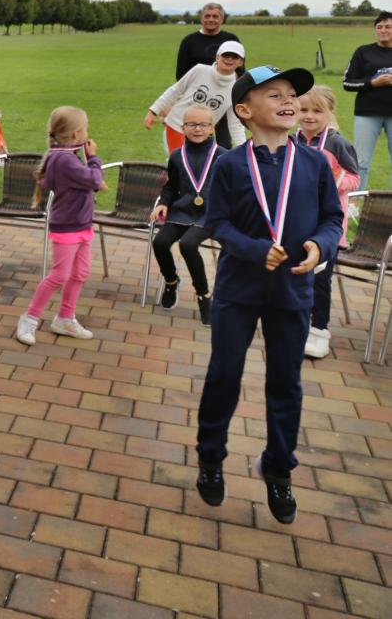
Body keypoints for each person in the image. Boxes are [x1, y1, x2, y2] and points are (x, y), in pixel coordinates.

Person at [194, 65, 341, 525]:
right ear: (244, 110)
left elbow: (333, 219)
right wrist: (255, 249)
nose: (288, 100)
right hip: (238, 290)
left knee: (286, 382)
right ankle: (211, 457)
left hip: (293, 290)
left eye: (292, 94)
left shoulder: (315, 163)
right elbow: (217, 223)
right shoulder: (229, 164)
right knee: (224, 374)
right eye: (274, 94)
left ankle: (278, 467)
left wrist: (320, 246)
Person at [14, 106, 104, 346]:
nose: (87, 133)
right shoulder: (64, 159)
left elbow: (81, 182)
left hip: (81, 224)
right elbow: (94, 179)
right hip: (67, 227)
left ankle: (65, 318)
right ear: (76, 133)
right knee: (59, 275)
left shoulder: (65, 156)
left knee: (80, 273)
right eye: (85, 128)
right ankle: (29, 318)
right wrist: (93, 158)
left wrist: (89, 178)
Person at [294, 85, 360, 359]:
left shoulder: (337, 144)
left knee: (320, 278)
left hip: (328, 225)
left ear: (330, 112)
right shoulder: (292, 140)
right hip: (297, 222)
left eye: (317, 111)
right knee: (295, 273)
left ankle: (319, 329)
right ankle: (296, 323)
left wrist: (331, 181)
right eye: (304, 109)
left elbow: (354, 178)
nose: (309, 116)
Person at [149, 103, 220, 322]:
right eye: (192, 124)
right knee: (160, 242)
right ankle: (171, 282)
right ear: (183, 128)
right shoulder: (177, 156)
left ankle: (203, 296)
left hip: (210, 215)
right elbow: (171, 187)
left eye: (203, 125)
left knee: (188, 245)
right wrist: (163, 202)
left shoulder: (223, 156)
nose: (197, 129)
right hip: (182, 211)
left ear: (212, 128)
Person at [145, 41, 248, 152]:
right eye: (226, 55)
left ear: (240, 62)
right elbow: (175, 90)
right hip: (177, 126)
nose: (229, 59)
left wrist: (244, 151)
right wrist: (153, 111)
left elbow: (235, 125)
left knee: (203, 162)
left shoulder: (236, 89)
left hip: (203, 134)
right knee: (180, 160)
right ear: (217, 57)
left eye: (234, 57)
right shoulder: (200, 70)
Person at [343, 10, 392, 187]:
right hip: (367, 114)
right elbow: (347, 83)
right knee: (361, 161)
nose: (383, 30)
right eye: (379, 27)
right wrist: (372, 83)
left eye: (388, 26)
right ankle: (356, 199)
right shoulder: (363, 52)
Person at [175, 2, 240, 79]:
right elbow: (181, 75)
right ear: (201, 19)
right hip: (198, 86)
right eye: (207, 16)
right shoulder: (188, 41)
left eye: (215, 16)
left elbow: (240, 71)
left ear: (222, 19)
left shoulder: (232, 40)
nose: (211, 19)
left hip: (226, 85)